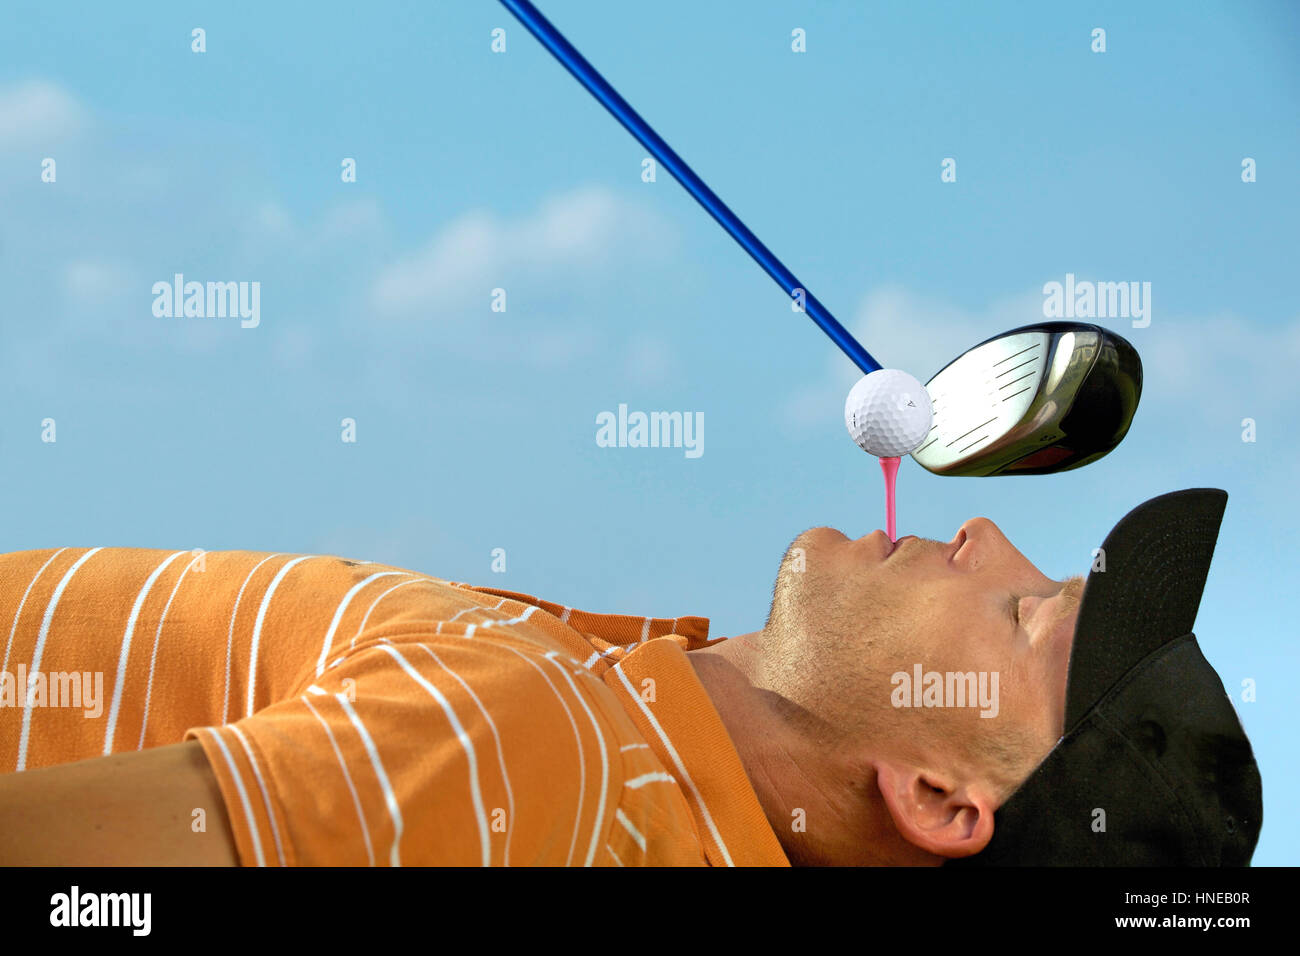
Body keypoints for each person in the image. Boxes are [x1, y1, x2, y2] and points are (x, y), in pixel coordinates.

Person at [0, 488, 1261, 866]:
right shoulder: (612, 737)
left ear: (937, 795)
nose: (983, 531)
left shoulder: (532, 757)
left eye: (1030, 612)